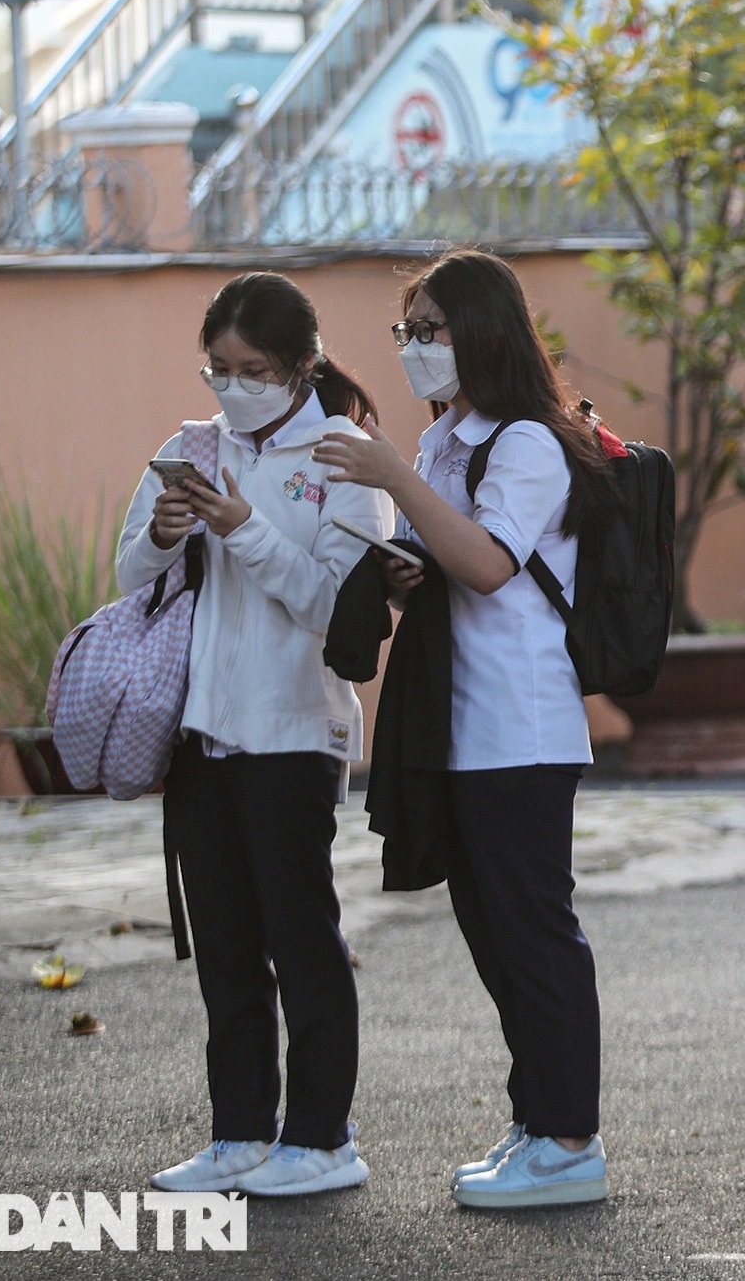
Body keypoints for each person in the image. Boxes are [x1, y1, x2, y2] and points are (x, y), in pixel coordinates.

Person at [314, 248, 619, 1209]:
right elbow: (449, 565)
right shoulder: (450, 437)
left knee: (533, 930)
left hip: (521, 727)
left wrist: (395, 479)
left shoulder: (526, 442)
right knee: (490, 929)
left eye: (432, 331)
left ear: (484, 333)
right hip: (459, 725)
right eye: (407, 332)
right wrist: (406, 560)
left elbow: (488, 566)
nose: (415, 350)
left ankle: (572, 1139)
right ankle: (537, 1118)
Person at [123, 273, 391, 1197]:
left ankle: (321, 1138)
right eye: (219, 369)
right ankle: (239, 1133)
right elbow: (127, 575)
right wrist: (164, 532)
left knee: (300, 935)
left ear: (302, 366)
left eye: (254, 370)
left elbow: (336, 608)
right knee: (226, 944)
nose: (233, 387)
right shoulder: (190, 445)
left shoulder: (349, 457)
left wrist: (241, 528)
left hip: (294, 730)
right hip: (203, 732)